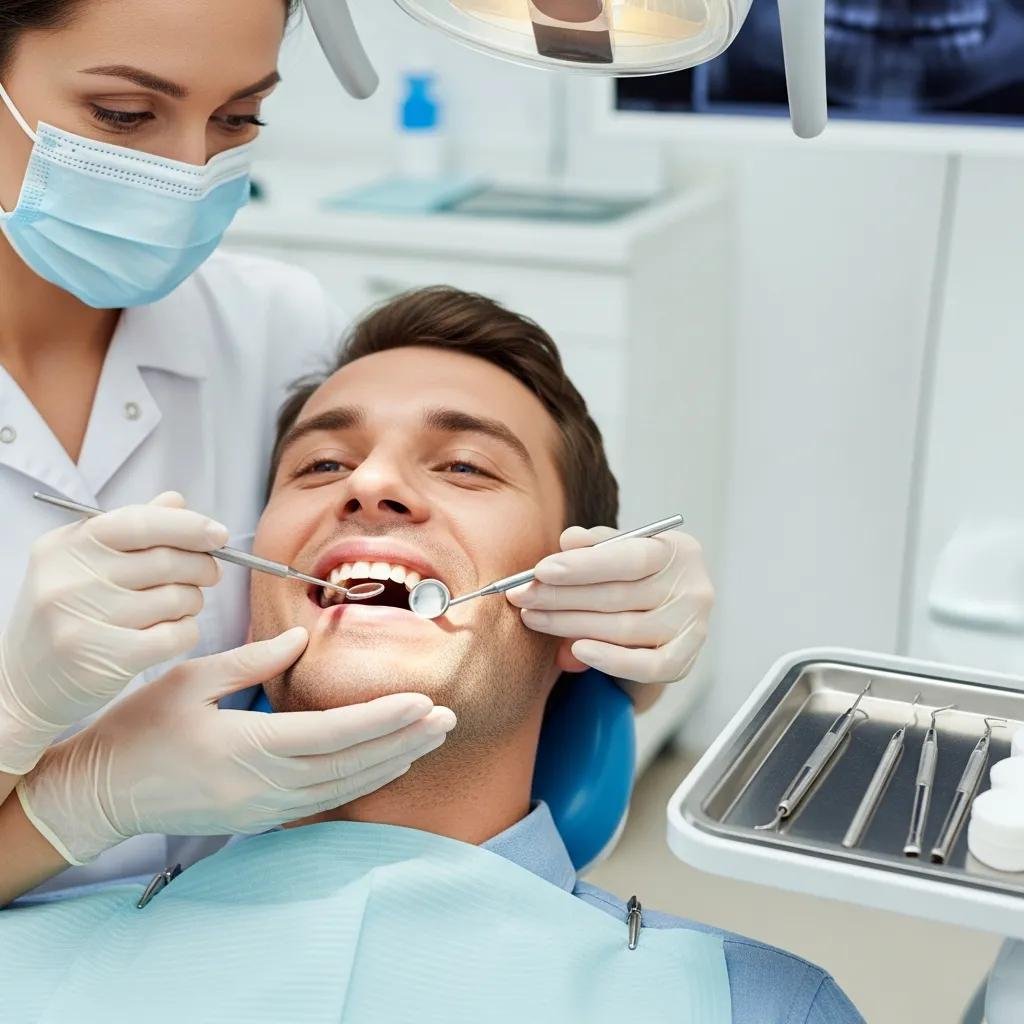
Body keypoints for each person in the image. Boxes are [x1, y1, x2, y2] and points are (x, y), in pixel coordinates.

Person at [0, 0, 713, 898]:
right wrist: (61, 787)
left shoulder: (271, 326)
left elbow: (444, 626)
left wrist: (617, 649)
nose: (189, 169)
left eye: (237, 118)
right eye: (124, 116)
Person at [2, 288, 860, 1024]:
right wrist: (57, 794)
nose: (367, 484)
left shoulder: (750, 1004)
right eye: (322, 462)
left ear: (580, 598)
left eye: (464, 465)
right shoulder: (27, 945)